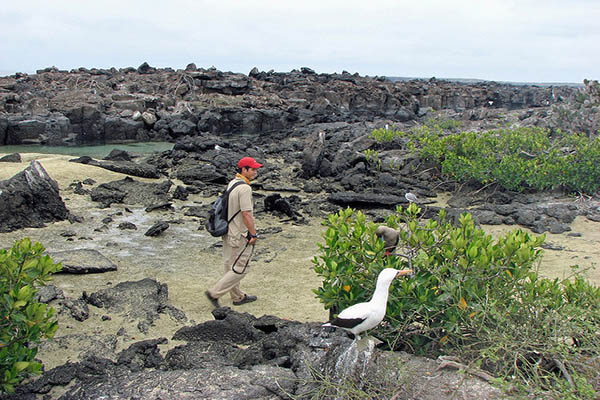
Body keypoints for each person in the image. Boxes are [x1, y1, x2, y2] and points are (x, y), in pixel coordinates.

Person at [205, 156, 263, 308]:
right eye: (253, 169)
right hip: (239, 234)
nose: (256, 172)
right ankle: (214, 293)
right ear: (244, 170)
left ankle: (237, 297)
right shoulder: (245, 188)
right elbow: (246, 214)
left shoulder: (233, 183)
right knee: (241, 268)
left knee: (231, 265)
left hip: (228, 232)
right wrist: (253, 234)